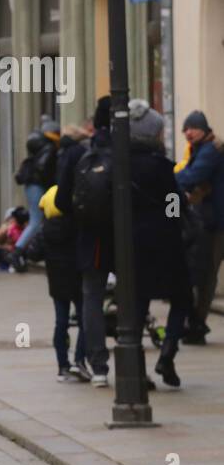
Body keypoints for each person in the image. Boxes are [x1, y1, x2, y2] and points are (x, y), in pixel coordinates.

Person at [127, 100, 193, 388]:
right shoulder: (162, 167)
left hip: (132, 244)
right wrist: (177, 211)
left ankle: (137, 370)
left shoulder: (121, 165)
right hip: (165, 243)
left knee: (137, 305)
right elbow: (173, 207)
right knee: (181, 299)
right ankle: (167, 353)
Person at [55, 98, 114, 387]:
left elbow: (60, 201)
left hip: (92, 240)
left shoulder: (80, 154)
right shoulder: (132, 152)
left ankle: (99, 366)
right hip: (129, 242)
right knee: (133, 298)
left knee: (91, 298)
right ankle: (137, 362)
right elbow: (168, 201)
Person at [175, 110, 224, 344]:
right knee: (202, 273)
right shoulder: (201, 149)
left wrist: (167, 180)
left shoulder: (210, 151)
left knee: (205, 274)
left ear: (203, 129)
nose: (187, 133)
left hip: (216, 223)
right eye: (185, 129)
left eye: (191, 128)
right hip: (210, 220)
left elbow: (192, 175)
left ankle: (197, 323)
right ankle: (195, 322)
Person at [40, 159, 88, 382]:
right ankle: (80, 359)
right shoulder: (76, 225)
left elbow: (35, 253)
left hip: (56, 282)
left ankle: (62, 365)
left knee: (61, 322)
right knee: (85, 319)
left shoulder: (47, 228)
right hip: (77, 277)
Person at [10, 117, 60, 272]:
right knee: (36, 221)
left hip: (32, 185)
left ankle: (22, 252)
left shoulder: (38, 149)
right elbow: (45, 169)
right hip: (38, 186)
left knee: (36, 220)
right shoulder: (49, 149)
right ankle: (18, 252)